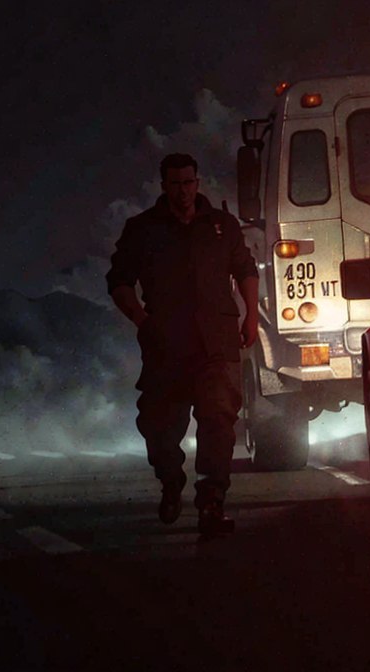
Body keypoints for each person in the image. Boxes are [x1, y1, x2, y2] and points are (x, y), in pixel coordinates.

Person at [105, 153, 259, 536]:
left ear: (198, 182)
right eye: (175, 183)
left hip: (215, 343)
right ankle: (171, 479)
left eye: (189, 182)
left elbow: (245, 269)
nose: (183, 191)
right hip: (166, 346)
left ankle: (211, 501)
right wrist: (142, 321)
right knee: (158, 426)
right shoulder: (143, 229)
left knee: (219, 420)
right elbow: (119, 281)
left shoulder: (221, 226)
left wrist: (251, 314)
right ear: (164, 185)